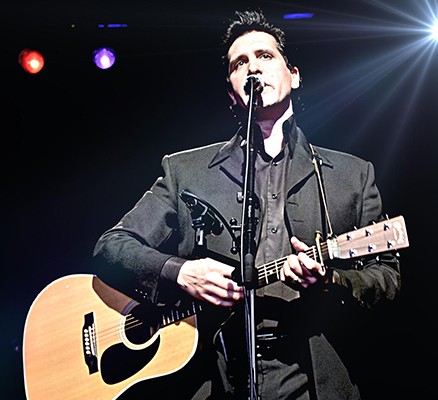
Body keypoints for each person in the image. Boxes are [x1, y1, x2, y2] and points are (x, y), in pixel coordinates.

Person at [93, 9, 402, 400]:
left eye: (265, 56)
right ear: (230, 91)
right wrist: (180, 271)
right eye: (240, 63)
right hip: (213, 376)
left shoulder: (351, 175)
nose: (253, 67)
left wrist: (330, 281)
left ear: (294, 74)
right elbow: (111, 247)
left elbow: (387, 279)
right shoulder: (185, 171)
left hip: (314, 377)